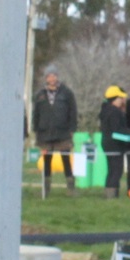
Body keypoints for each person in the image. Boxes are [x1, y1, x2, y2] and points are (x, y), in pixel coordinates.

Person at [32, 69, 79, 198]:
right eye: (49, 76)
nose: (52, 79)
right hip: (45, 132)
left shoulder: (67, 93)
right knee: (47, 160)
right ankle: (46, 189)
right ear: (46, 78)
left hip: (63, 132)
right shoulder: (40, 94)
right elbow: (36, 114)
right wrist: (36, 130)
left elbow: (73, 111)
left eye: (54, 76)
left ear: (57, 77)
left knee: (66, 159)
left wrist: (72, 129)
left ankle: (71, 188)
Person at [96, 85, 130, 198]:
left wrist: (128, 130)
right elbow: (117, 130)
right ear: (115, 98)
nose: (123, 100)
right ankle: (112, 196)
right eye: (121, 97)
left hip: (107, 143)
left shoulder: (105, 110)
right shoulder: (114, 112)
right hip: (115, 145)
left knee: (111, 169)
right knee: (116, 170)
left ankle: (109, 193)